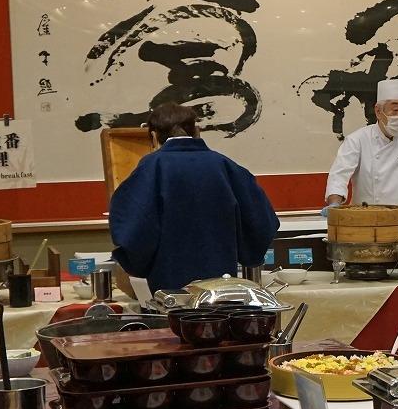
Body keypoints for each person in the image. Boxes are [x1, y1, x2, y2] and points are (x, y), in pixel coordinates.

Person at [109, 103, 279, 293]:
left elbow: (132, 230)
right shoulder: (224, 165)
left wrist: (135, 263)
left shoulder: (151, 168)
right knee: (216, 312)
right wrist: (248, 254)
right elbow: (262, 223)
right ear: (197, 132)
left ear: (154, 136)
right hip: (220, 288)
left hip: (169, 288)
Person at [324, 78, 398, 213]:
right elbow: (339, 177)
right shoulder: (357, 140)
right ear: (378, 111)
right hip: (366, 218)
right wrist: (334, 205)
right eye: (395, 110)